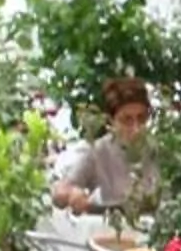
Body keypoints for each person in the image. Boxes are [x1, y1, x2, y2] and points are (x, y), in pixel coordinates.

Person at [52, 76, 161, 219]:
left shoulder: (159, 150)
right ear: (111, 121)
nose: (136, 128)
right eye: (126, 120)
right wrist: (71, 195)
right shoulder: (99, 152)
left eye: (141, 118)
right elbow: (61, 191)